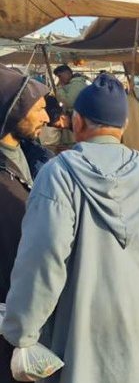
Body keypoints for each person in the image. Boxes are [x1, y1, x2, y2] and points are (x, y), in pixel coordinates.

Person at [1, 73, 139, 383]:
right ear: (123, 126)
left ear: (77, 122)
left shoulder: (58, 176)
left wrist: (22, 330)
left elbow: (43, 261)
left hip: (80, 329)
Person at [0, 65, 51, 383]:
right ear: (12, 111)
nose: (46, 118)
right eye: (40, 109)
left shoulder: (30, 156)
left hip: (25, 304)